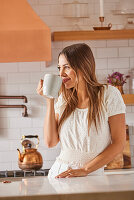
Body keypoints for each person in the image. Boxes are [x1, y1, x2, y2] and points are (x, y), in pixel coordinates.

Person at [37, 43, 126, 178]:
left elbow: (119, 144)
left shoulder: (109, 94)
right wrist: (50, 99)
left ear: (83, 66)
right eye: (59, 68)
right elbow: (50, 142)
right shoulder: (64, 100)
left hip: (91, 175)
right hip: (59, 175)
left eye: (66, 67)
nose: (61, 74)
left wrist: (85, 170)